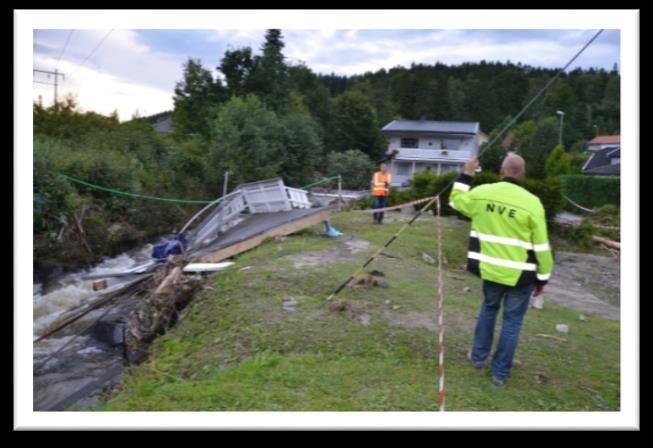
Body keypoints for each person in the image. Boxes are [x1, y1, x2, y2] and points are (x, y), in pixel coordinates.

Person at [449, 154, 554, 386]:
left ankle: (478, 358)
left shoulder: (483, 193)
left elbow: (456, 201)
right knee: (512, 322)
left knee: (488, 309)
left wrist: (467, 173)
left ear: (501, 171)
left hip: (491, 270)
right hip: (521, 276)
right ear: (522, 174)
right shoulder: (532, 203)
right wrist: (543, 279)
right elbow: (542, 247)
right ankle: (500, 374)